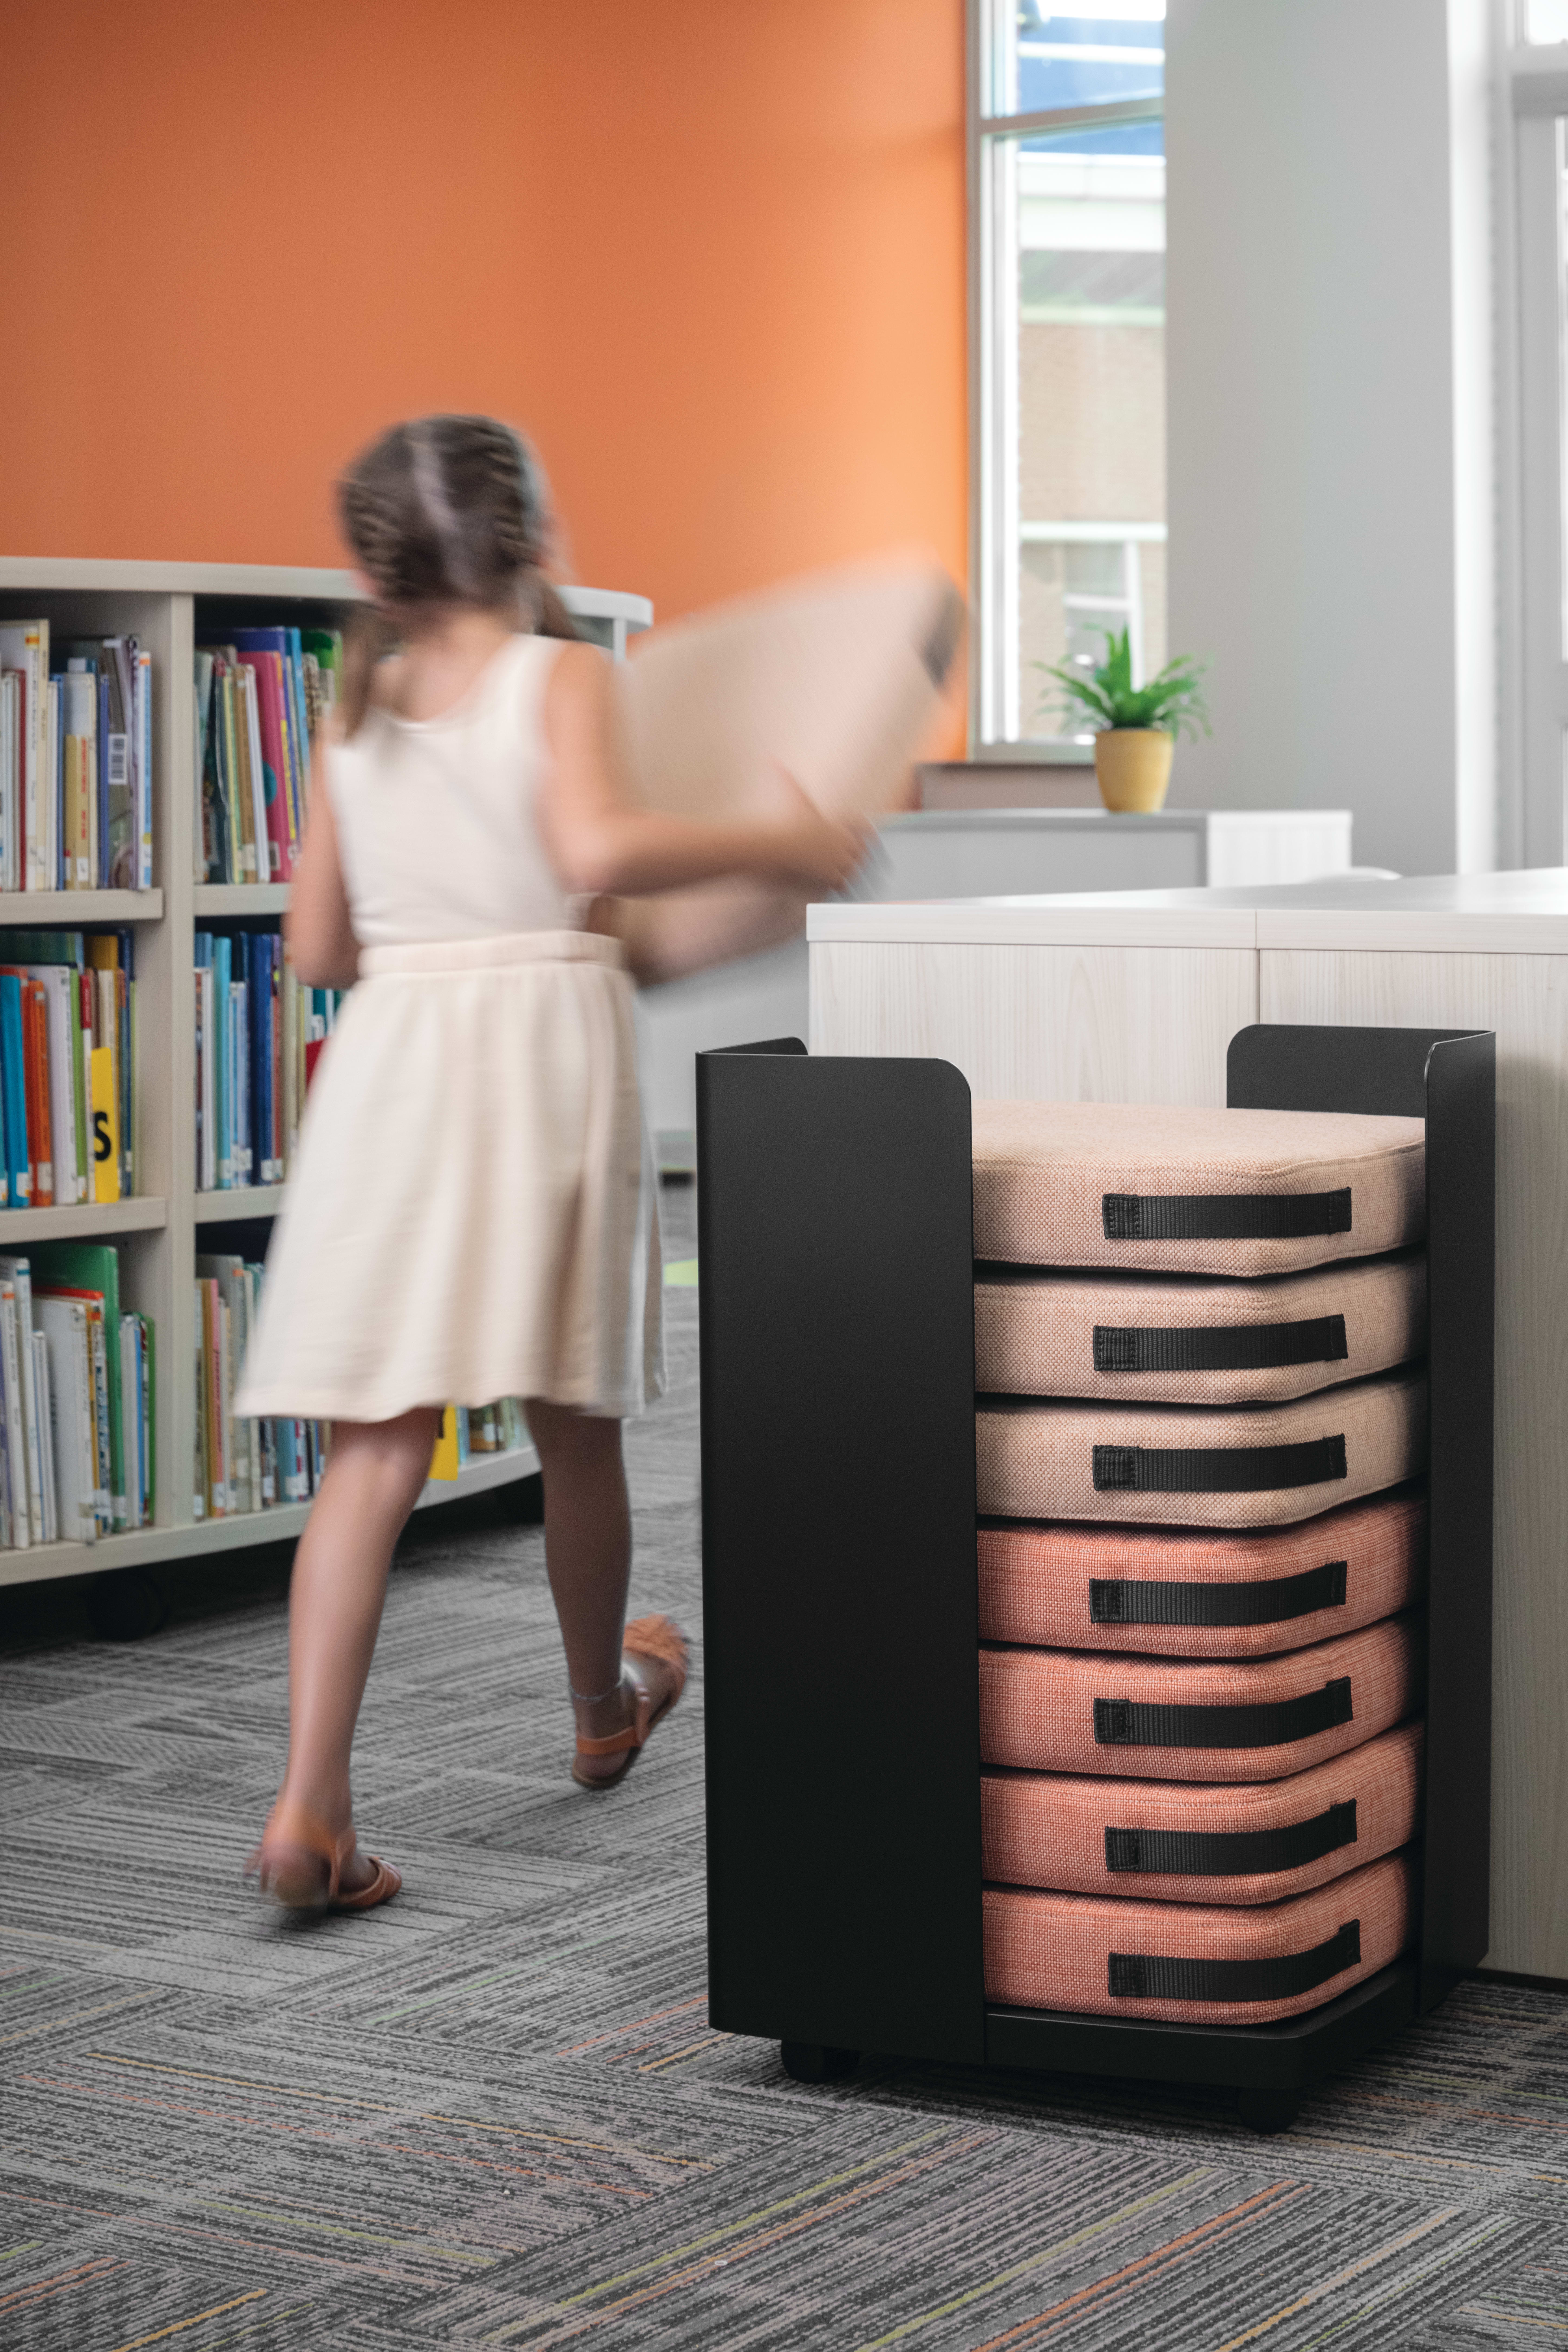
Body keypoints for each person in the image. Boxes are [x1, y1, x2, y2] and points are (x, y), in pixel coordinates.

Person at [237, 414, 865, 1910]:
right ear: (525, 536)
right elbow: (593, 838)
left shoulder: (356, 711)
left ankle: (309, 1806)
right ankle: (600, 1709)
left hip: (392, 1055)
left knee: (372, 1449)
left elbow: (317, 946)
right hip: (535, 1054)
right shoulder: (563, 673)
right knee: (571, 1420)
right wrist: (772, 834)